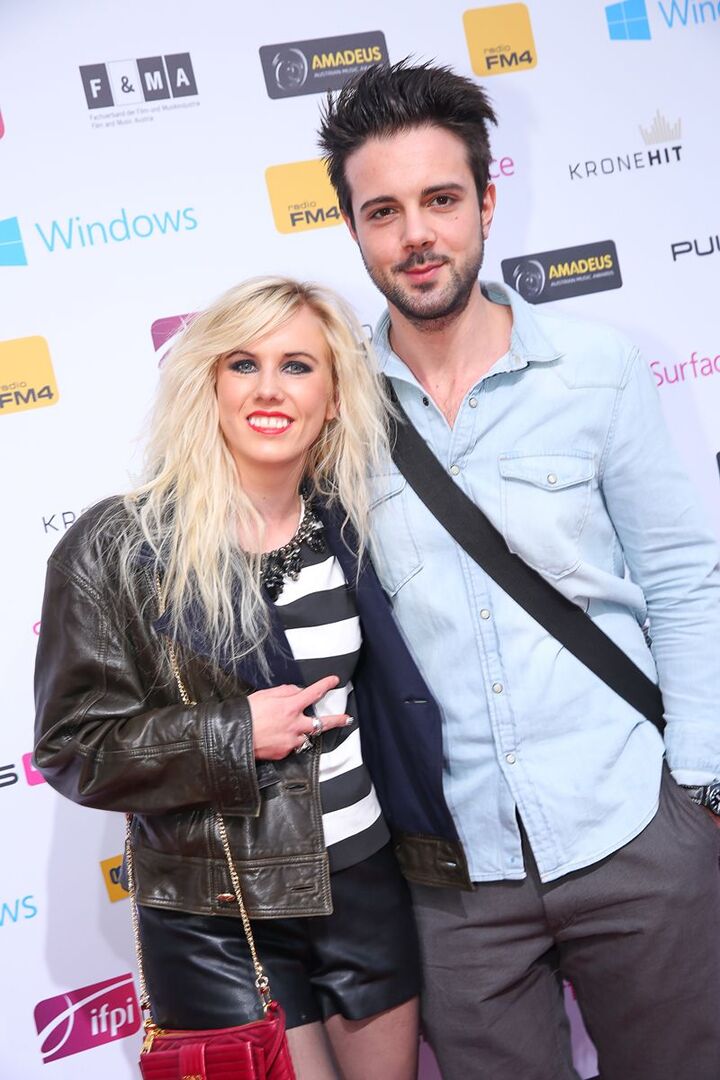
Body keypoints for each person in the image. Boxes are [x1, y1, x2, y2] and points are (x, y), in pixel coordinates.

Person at [318, 62, 720, 1080]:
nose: (417, 234)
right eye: (383, 211)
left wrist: (700, 788)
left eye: (441, 200)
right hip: (452, 880)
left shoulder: (597, 367)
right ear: (354, 229)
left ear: (487, 204)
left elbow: (683, 575)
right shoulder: (332, 411)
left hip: (634, 829)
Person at [33, 277, 424, 1080]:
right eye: (244, 364)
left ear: (334, 399)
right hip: (220, 914)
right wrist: (232, 734)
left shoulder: (355, 528)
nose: (270, 388)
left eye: (297, 366)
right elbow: (73, 747)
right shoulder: (118, 546)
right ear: (208, 384)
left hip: (366, 884)